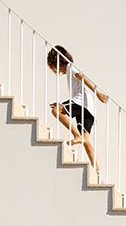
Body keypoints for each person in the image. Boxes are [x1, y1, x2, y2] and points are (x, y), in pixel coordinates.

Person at [46, 45, 109, 177]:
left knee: (56, 111)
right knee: (86, 140)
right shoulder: (69, 70)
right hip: (88, 108)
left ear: (57, 62)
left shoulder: (70, 67)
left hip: (80, 102)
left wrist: (98, 93)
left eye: (54, 67)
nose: (56, 71)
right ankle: (96, 169)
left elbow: (82, 77)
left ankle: (76, 136)